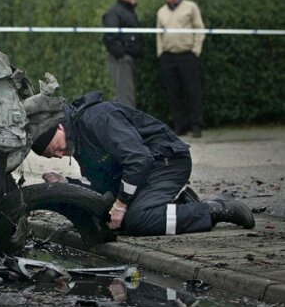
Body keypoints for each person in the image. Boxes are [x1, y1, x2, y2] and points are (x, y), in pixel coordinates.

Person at [30, 91, 254, 236]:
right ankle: (182, 205)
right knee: (115, 219)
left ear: (59, 128)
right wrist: (66, 184)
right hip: (145, 169)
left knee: (138, 220)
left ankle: (217, 210)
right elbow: (100, 187)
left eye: (54, 148)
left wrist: (121, 204)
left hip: (166, 160)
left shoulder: (97, 118)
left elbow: (139, 159)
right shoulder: (77, 141)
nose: (59, 155)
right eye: (52, 157)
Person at [156, 0, 205, 138]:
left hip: (187, 55)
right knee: (174, 93)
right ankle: (180, 125)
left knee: (192, 91)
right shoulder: (161, 12)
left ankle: (196, 125)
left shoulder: (190, 7)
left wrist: (196, 50)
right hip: (168, 57)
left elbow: (199, 28)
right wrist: (161, 53)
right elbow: (158, 34)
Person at [102, 0, 143, 108]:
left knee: (128, 94)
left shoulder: (128, 11)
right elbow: (110, 36)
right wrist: (122, 55)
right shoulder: (114, 12)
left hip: (131, 59)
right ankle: (127, 124)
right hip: (122, 61)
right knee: (125, 96)